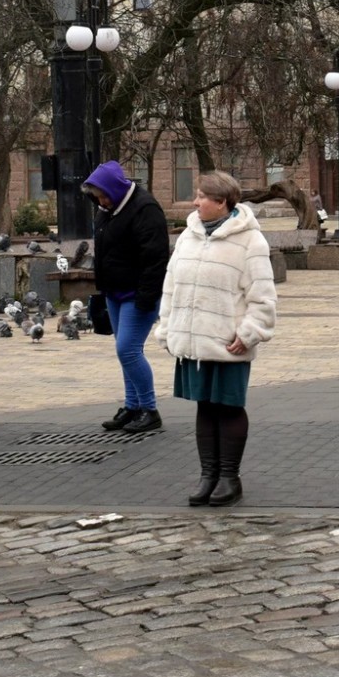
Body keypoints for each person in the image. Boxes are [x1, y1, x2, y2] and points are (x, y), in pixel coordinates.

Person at [154, 170, 277, 507]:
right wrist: (167, 327)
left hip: (227, 341)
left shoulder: (251, 241)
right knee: (205, 406)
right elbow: (171, 286)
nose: (195, 202)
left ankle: (229, 477)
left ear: (221, 203)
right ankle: (207, 475)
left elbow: (263, 297)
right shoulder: (188, 237)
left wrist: (249, 333)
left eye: (202, 196)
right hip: (193, 342)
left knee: (228, 406)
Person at [87, 159, 170, 435]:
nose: (102, 202)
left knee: (128, 350)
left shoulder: (145, 209)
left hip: (138, 293)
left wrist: (148, 297)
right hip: (114, 291)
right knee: (126, 352)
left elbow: (155, 257)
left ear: (114, 189)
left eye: (103, 196)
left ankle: (149, 409)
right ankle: (132, 406)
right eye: (97, 197)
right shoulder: (105, 209)